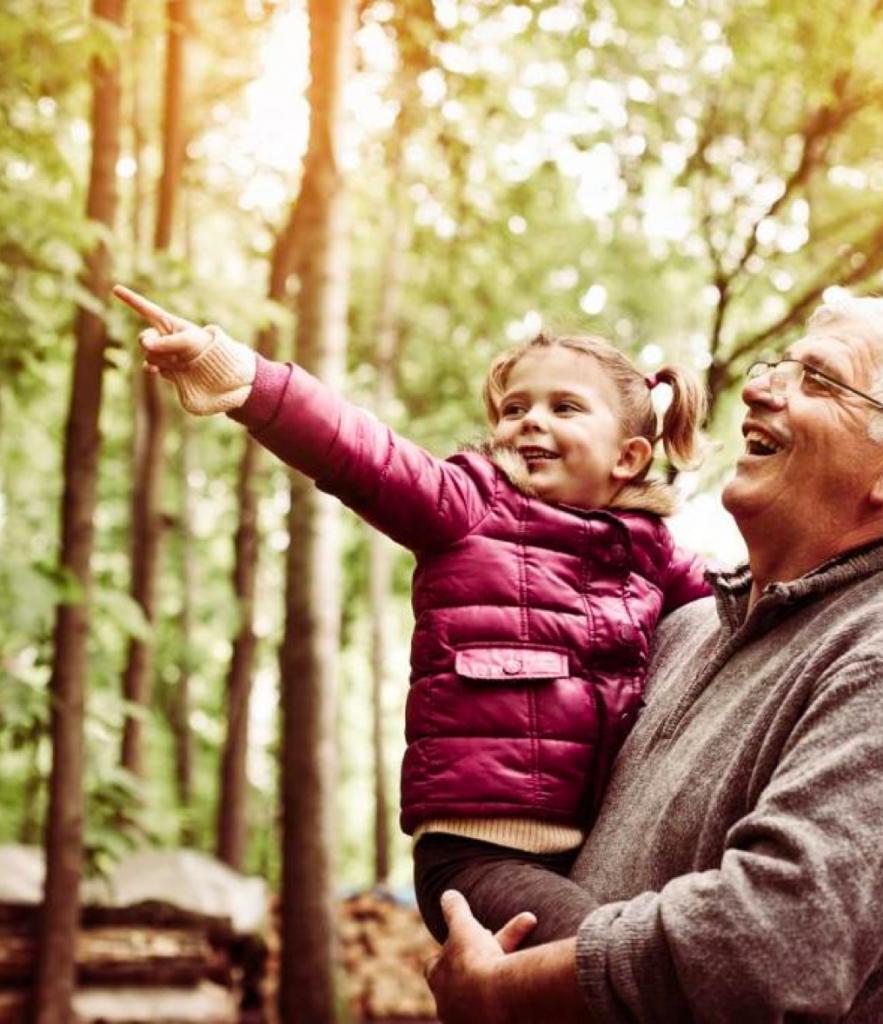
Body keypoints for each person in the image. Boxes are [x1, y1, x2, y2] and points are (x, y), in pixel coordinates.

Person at [112, 283, 709, 945]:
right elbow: (360, 451)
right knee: (610, 957)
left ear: (627, 457)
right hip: (478, 854)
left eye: (564, 407)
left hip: (594, 845)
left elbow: (736, 612)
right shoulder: (470, 506)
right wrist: (237, 375)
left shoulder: (651, 554)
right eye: (515, 408)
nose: (530, 421)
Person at [423, 290, 883, 1022]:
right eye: (778, 366)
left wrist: (505, 992)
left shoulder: (870, 652)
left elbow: (771, 945)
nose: (760, 387)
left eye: (818, 379)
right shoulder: (680, 627)